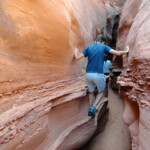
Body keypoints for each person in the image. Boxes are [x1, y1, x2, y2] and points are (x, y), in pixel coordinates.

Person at [74, 34, 129, 117]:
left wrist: (75, 52)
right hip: (98, 74)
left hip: (88, 74)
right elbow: (117, 53)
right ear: (103, 42)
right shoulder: (103, 47)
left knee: (91, 92)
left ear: (95, 40)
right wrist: (126, 51)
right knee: (101, 91)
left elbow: (77, 58)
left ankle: (90, 108)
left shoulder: (88, 48)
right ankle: (93, 107)